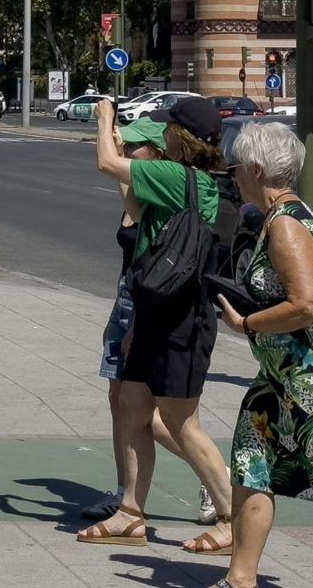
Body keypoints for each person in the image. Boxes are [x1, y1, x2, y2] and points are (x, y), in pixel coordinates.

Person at [78, 97, 233, 554]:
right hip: (157, 309)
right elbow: (137, 207)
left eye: (167, 129)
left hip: (182, 318)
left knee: (182, 421)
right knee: (131, 402)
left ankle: (232, 517)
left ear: (179, 137)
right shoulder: (184, 182)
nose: (161, 134)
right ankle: (130, 512)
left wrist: (105, 119)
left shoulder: (174, 176)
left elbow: (108, 163)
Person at [210, 122, 313, 588]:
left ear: (255, 169)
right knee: (251, 466)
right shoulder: (275, 219)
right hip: (276, 379)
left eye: (236, 169)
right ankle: (240, 579)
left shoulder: (287, 224)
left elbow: (306, 304)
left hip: (305, 381)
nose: (233, 177)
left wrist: (246, 323)